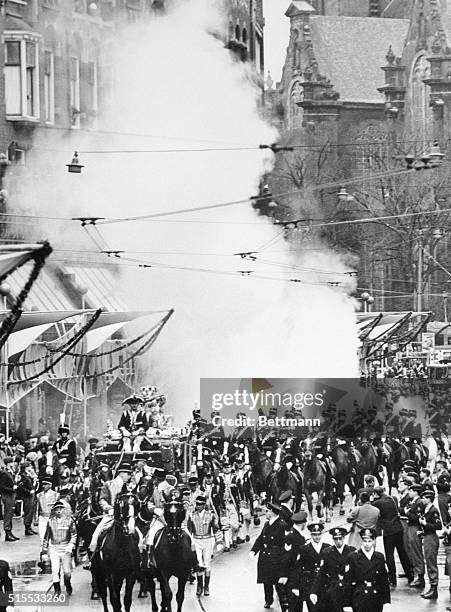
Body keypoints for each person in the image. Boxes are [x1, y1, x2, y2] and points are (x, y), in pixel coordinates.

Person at [250, 502, 289, 610]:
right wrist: (254, 550)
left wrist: (282, 558)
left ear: (272, 512)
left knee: (278, 581)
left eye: (267, 511)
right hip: (265, 556)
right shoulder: (267, 524)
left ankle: (284, 602)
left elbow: (284, 543)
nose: (265, 513)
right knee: (266, 580)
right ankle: (268, 599)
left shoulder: (282, 525)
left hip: (276, 557)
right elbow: (260, 538)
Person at [372, 485, 413, 586]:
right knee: (402, 552)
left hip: (388, 531)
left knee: (389, 555)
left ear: (376, 494)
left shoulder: (377, 503)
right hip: (398, 528)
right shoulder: (392, 498)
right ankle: (410, 574)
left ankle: (392, 577)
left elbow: (373, 509)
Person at [342, 528, 391, 612]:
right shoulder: (353, 557)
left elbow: (384, 581)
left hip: (376, 598)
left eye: (369, 541)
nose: (367, 544)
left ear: (374, 541)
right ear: (361, 541)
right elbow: (347, 582)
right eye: (365, 541)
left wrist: (387, 602)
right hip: (359, 597)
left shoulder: (379, 557)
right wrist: (347, 604)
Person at [88, 463, 132, 556]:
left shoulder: (128, 488)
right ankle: (93, 559)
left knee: (138, 534)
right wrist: (109, 509)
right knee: (96, 535)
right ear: (121, 473)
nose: (129, 476)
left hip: (125, 517)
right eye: (128, 474)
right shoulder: (109, 484)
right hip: (111, 516)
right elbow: (102, 500)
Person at [310, 527, 355, 612]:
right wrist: (314, 591)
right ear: (333, 539)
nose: (338, 541)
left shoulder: (351, 551)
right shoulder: (327, 553)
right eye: (336, 539)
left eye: (340, 538)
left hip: (348, 589)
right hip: (334, 589)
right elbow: (321, 573)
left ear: (344, 538)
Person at [187, 494, 221, 597]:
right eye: (197, 504)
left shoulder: (210, 515)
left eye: (200, 504)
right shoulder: (192, 516)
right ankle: (199, 586)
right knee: (199, 564)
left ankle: (206, 587)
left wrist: (219, 541)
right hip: (196, 540)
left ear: (204, 505)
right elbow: (189, 531)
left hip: (207, 540)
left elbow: (215, 529)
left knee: (207, 564)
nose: (198, 506)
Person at [41, 500, 76, 595]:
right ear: (54, 510)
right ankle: (57, 590)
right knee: (55, 570)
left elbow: (74, 535)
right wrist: (44, 552)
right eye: (57, 509)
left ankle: (68, 584)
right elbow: (46, 538)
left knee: (67, 572)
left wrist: (71, 545)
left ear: (63, 510)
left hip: (65, 548)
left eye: (60, 509)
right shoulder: (50, 521)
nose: (59, 511)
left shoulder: (69, 520)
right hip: (54, 548)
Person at [279, 511, 307, 612]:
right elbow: (286, 558)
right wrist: (284, 575)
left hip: (296, 575)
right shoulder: (291, 537)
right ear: (303, 523)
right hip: (292, 576)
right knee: (294, 604)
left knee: (297, 603)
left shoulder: (296, 535)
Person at [419, 488, 442, 600]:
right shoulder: (427, 509)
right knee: (428, 562)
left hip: (431, 538)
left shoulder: (433, 510)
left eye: (424, 498)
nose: (422, 500)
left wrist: (425, 524)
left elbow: (438, 526)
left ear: (428, 499)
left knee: (431, 562)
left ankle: (434, 588)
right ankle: (432, 587)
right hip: (427, 537)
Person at [405, 483, 426, 589]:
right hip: (411, 527)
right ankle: (418, 575)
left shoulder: (418, 503)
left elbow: (418, 517)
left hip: (415, 527)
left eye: (412, 491)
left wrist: (407, 513)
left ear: (416, 492)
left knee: (417, 552)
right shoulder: (414, 501)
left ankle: (420, 577)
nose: (410, 492)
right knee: (413, 551)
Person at [0, 457, 19, 541]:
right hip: (7, 495)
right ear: (8, 463)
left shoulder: (10, 472)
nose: (13, 464)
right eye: (12, 462)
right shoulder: (4, 473)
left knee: (10, 513)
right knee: (8, 514)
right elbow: (2, 486)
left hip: (11, 495)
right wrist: (12, 489)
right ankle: (7, 532)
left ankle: (10, 532)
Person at [16, 461, 37, 536]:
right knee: (28, 511)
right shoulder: (23, 475)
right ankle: (27, 527)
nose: (31, 467)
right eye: (29, 466)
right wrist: (28, 491)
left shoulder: (28, 474)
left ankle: (29, 527)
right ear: (25, 467)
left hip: (31, 495)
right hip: (26, 496)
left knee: (31, 511)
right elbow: (20, 486)